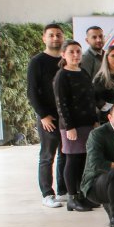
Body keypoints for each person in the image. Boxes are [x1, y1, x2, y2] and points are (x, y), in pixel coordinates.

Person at [52, 39, 98, 212]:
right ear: (63, 54)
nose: (76, 55)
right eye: (71, 52)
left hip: (87, 123)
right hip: (72, 126)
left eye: (78, 51)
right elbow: (61, 104)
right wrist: (69, 126)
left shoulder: (83, 72)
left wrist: (95, 120)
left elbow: (90, 99)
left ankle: (83, 195)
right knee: (73, 160)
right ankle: (72, 197)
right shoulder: (61, 76)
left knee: (84, 160)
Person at [27, 23, 68, 207]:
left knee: (65, 153)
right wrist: (43, 115)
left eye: (58, 35)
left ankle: (63, 190)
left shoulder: (66, 60)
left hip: (65, 116)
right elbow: (31, 91)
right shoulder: (37, 61)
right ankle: (47, 193)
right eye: (51, 35)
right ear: (44, 38)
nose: (55, 38)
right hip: (48, 117)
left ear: (63, 37)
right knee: (47, 155)